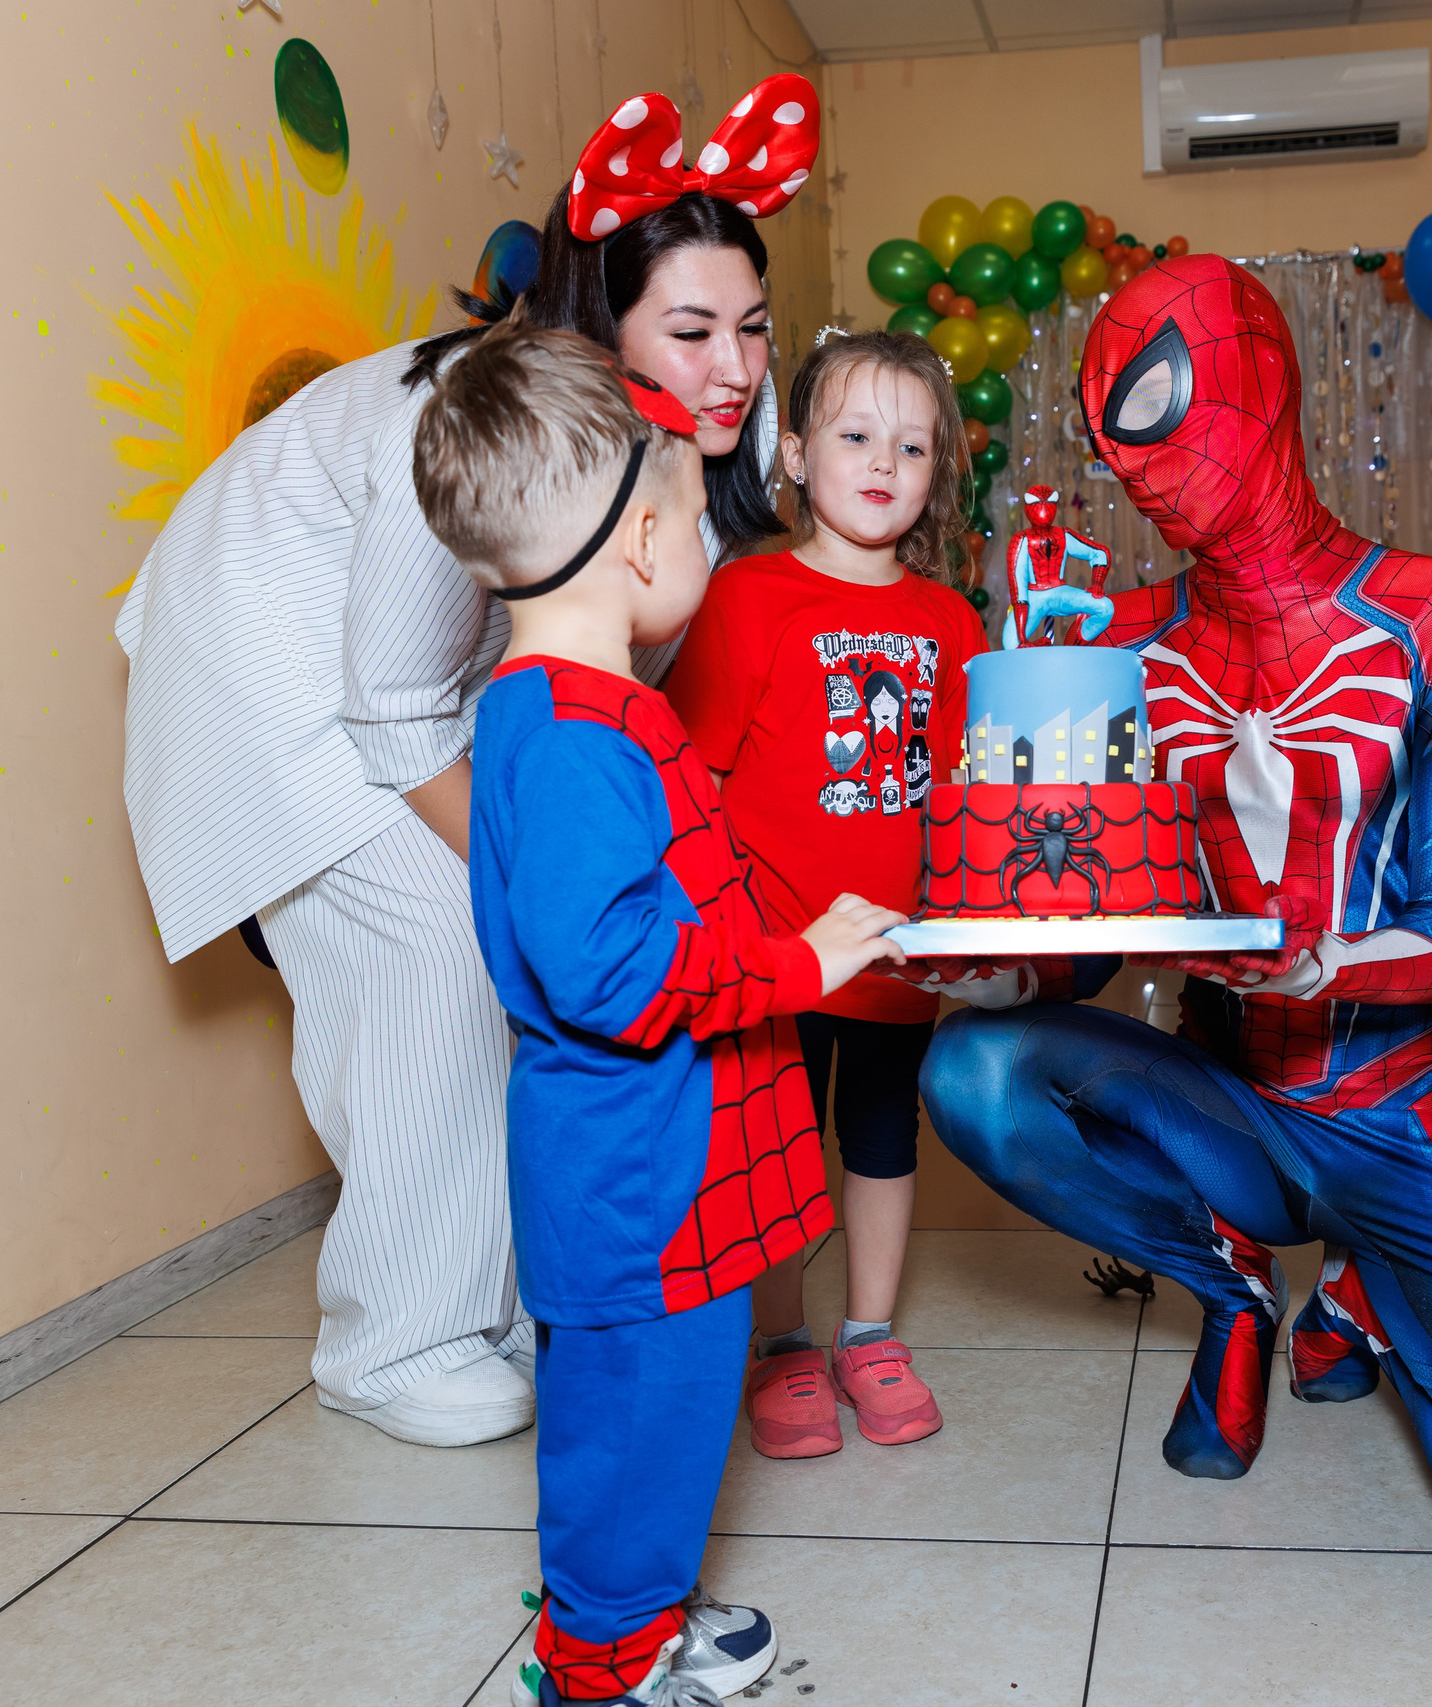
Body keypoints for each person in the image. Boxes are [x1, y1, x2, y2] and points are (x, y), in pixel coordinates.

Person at [918, 255, 1432, 1646]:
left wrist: (1322, 961)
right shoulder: (1139, 643)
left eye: (1156, 405)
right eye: (1103, 429)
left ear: (1257, 384)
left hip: (1407, 1114)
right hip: (1233, 1100)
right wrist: (1011, 954)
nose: (1131, 459)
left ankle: (1367, 1292)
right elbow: (1108, 930)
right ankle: (1234, 1291)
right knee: (974, 1068)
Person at [112, 73, 817, 1447]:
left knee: (526, 965)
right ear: (597, 326)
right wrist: (524, 878)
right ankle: (397, 1339)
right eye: (689, 330)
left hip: (409, 695)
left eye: (752, 326)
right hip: (267, 668)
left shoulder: (703, 440)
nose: (734, 367)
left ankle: (483, 1299)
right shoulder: (472, 424)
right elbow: (391, 705)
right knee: (443, 935)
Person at [416, 320, 904, 1705]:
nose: (709, 543)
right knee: (638, 1420)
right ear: (640, 542)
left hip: (658, 1160)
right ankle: (605, 1661)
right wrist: (799, 964)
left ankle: (627, 1613)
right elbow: (614, 972)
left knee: (654, 1424)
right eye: (699, 514)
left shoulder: (572, 708)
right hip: (645, 1178)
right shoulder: (574, 737)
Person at [668, 332, 985, 1456]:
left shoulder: (953, 622)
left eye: (910, 445)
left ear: (937, 468)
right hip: (771, 951)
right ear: (795, 453)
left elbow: (961, 794)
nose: (882, 464)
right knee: (772, 1152)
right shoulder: (746, 597)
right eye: (855, 437)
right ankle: (784, 1346)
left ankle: (868, 1331)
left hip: (898, 953)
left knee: (881, 1142)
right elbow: (695, 779)